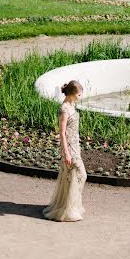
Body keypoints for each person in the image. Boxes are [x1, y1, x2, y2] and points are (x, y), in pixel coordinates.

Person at [43, 80, 87, 222]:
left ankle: (69, 206)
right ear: (73, 94)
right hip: (69, 148)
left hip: (75, 145)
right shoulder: (64, 109)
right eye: (79, 94)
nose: (80, 96)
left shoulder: (71, 105)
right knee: (81, 174)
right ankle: (68, 207)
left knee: (72, 177)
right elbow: (62, 133)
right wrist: (66, 153)